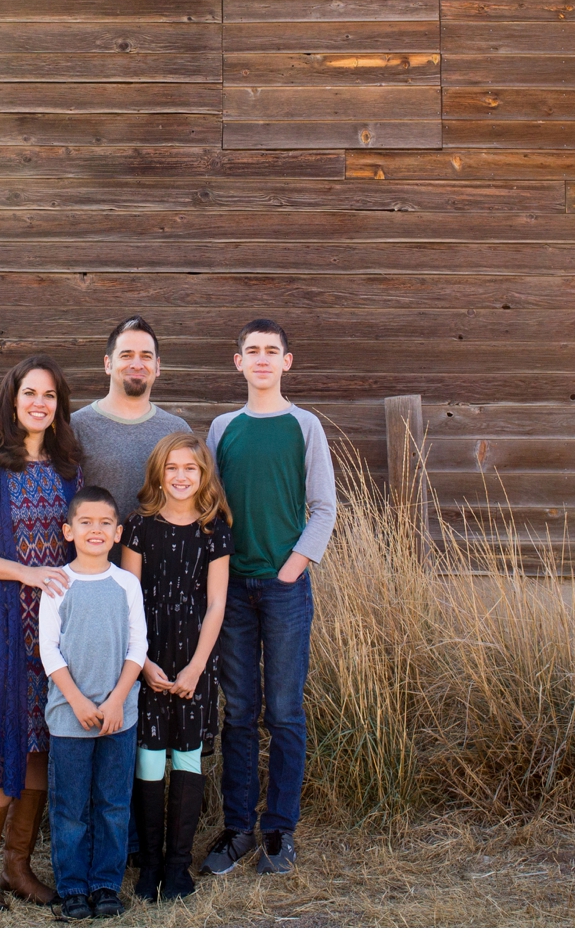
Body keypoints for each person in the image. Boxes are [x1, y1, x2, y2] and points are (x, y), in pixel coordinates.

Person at [0, 355, 84, 914]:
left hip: (55, 632)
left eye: (49, 396)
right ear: (13, 400)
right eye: (30, 393)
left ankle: (18, 866)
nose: (39, 403)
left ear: (58, 407)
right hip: (2, 629)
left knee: (41, 749)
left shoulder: (69, 471)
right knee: (2, 742)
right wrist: (25, 572)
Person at [201, 319, 337, 878]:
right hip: (230, 589)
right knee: (238, 712)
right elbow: (207, 502)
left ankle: (279, 829)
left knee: (283, 711)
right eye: (251, 351)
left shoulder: (304, 427)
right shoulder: (222, 427)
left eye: (271, 351)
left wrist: (293, 568)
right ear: (238, 362)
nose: (261, 359)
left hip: (284, 590)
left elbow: (324, 507)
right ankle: (237, 828)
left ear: (287, 361)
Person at [119, 431, 231, 903]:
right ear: (158, 475)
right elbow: (127, 599)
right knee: (148, 757)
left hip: (193, 660)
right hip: (147, 656)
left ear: (203, 474)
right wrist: (141, 662)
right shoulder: (139, 526)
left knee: (185, 755)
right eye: (172, 468)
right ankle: (149, 864)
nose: (181, 476)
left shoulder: (215, 529)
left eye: (191, 468)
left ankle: (178, 867)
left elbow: (218, 604)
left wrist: (196, 668)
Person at [39, 486, 148, 922]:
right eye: (86, 522)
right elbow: (49, 651)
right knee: (69, 808)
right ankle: (72, 888)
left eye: (105, 523)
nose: (96, 530)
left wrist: (118, 699)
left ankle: (106, 884)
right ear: (68, 530)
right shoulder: (58, 584)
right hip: (70, 716)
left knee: (113, 803)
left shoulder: (126, 583)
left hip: (118, 717)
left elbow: (137, 647)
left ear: (118, 532)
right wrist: (79, 701)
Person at [72, 315, 190, 512]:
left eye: (146, 356)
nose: (137, 365)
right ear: (108, 364)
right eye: (126, 355)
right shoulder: (77, 426)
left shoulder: (177, 431)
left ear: (157, 366)